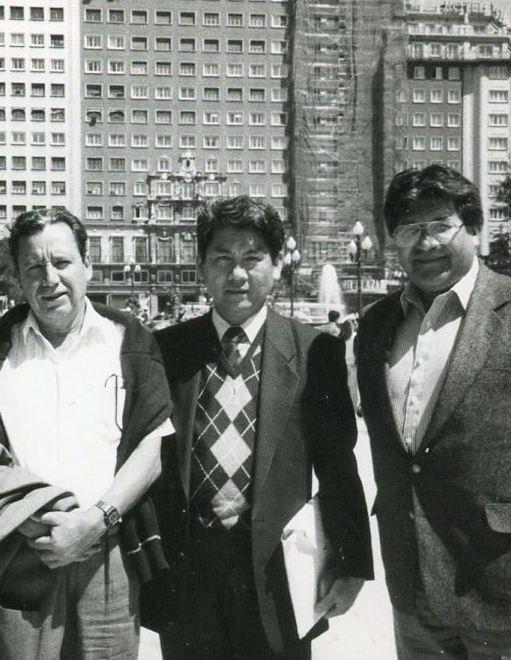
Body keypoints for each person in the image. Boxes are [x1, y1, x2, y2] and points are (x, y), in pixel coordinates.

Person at [356, 165, 511, 659]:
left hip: (510, 585)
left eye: (440, 225)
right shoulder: (377, 324)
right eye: (409, 230)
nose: (425, 243)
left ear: (473, 228)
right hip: (417, 589)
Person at [142, 196, 373, 660]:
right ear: (202, 266)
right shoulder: (165, 351)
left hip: (277, 574)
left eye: (252, 258)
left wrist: (350, 564)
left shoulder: (315, 352)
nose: (238, 274)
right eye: (222, 259)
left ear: (277, 263)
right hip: (190, 574)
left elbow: (338, 466)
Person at [0, 208, 174, 659]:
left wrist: (96, 520)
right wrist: (14, 515)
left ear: (87, 265)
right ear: (18, 277)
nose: (49, 279)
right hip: (16, 554)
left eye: (62, 263)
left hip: (104, 554)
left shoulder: (130, 340)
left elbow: (152, 447)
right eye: (34, 267)